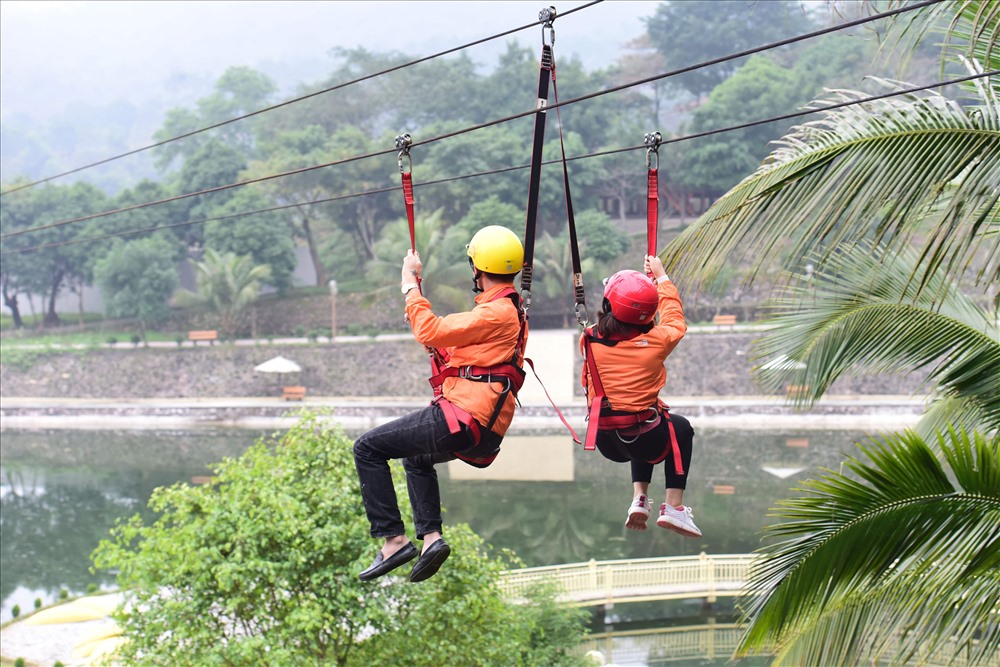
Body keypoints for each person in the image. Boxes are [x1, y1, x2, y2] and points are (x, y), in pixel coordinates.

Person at [353, 225, 528, 583]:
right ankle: (431, 538)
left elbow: (429, 330)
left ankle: (394, 540)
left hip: (463, 416)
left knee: (367, 448)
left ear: (476, 268)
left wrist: (410, 285)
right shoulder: (508, 312)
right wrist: (429, 331)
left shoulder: (497, 313)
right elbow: (455, 351)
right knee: (416, 460)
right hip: (481, 427)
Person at [580, 254, 701, 537]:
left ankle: (640, 499)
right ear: (649, 314)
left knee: (641, 419)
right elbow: (675, 320)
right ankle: (674, 506)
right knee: (677, 428)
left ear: (608, 305)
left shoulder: (588, 339)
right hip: (644, 439)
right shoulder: (658, 341)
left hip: (605, 439)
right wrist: (661, 278)